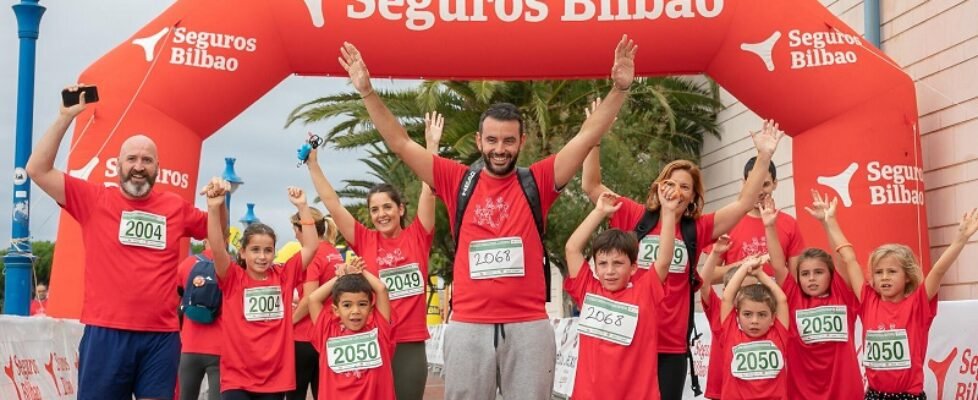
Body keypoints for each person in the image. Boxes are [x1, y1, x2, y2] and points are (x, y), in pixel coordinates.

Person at [337, 35, 637, 399]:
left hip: (528, 326)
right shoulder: (455, 180)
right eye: (492, 140)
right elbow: (401, 143)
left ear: (521, 141)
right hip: (468, 326)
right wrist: (367, 92)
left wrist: (620, 89)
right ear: (479, 141)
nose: (500, 149)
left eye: (508, 141)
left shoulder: (538, 181)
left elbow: (588, 134)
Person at [25, 85, 224, 400]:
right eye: (131, 158)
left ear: (157, 168)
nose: (139, 165)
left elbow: (218, 236)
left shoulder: (176, 207)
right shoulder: (94, 198)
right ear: (118, 166)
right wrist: (64, 118)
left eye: (147, 159)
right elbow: (37, 169)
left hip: (160, 337)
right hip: (106, 333)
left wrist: (218, 206)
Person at [582, 119, 784, 398]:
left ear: (692, 197)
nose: (677, 190)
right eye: (671, 183)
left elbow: (744, 204)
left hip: (671, 341)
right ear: (659, 187)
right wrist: (594, 137)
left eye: (686, 187)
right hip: (631, 336)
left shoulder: (697, 228)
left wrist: (764, 156)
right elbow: (591, 186)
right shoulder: (634, 215)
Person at [304, 112, 441, 400]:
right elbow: (333, 203)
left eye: (387, 207)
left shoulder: (418, 235)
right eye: (375, 209)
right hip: (369, 340)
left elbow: (430, 191)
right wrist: (313, 165)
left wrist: (431, 148)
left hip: (409, 343)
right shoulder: (364, 240)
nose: (381, 214)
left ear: (401, 209)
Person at [812, 191, 978, 399]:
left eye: (892, 271)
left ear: (907, 276)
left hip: (908, 395)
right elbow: (849, 259)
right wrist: (830, 221)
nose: (884, 278)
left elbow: (938, 271)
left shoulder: (917, 303)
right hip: (875, 394)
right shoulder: (868, 300)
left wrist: (959, 240)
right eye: (879, 272)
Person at [203, 184, 319, 400]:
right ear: (243, 252)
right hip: (237, 377)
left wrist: (303, 207)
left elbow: (311, 247)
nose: (262, 256)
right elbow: (218, 248)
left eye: (268, 250)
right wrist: (212, 209)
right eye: (255, 250)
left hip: (275, 379)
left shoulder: (284, 276)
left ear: (275, 252)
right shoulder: (232, 277)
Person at [564, 189, 677, 399]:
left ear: (633, 267)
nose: (610, 271)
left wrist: (668, 213)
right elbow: (572, 249)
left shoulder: (645, 292)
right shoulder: (587, 289)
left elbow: (664, 260)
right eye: (603, 264)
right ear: (595, 268)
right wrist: (599, 211)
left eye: (618, 263)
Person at [761, 196, 861, 399]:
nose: (812, 278)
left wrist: (827, 222)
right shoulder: (792, 297)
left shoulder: (842, 294)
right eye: (805, 274)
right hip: (802, 392)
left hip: (845, 391)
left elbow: (841, 258)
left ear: (830, 274)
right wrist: (770, 227)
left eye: (819, 272)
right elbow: (779, 266)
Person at [308, 258, 395, 400]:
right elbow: (313, 299)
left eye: (362, 304)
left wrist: (361, 271)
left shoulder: (378, 330)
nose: (355, 311)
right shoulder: (327, 331)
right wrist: (339, 277)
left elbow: (381, 289)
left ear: (371, 308)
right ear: (336, 310)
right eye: (347, 305)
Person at [708, 158, 805, 282]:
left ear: (775, 184)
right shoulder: (728, 222)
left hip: (778, 300)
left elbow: (795, 279)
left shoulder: (790, 224)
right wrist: (744, 266)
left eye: (765, 184)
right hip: (739, 300)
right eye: (754, 184)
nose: (759, 191)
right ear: (744, 184)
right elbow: (708, 276)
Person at [288, 209, 344, 400]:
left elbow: (310, 299)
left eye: (295, 229)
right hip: (329, 333)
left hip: (306, 336)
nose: (295, 234)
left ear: (302, 229)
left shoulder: (313, 255)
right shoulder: (334, 252)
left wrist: (288, 323)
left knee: (296, 394)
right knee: (325, 393)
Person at [719, 256, 790, 400]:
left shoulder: (778, 334)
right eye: (747, 314)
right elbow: (727, 297)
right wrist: (745, 268)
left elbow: (781, 300)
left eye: (762, 315)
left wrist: (760, 274)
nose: (754, 321)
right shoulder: (731, 333)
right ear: (737, 315)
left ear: (773, 318)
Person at [177, 239, 222, 400]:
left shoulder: (187, 264)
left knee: (186, 396)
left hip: (190, 346)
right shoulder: (230, 265)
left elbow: (178, 297)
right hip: (220, 348)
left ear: (204, 241)